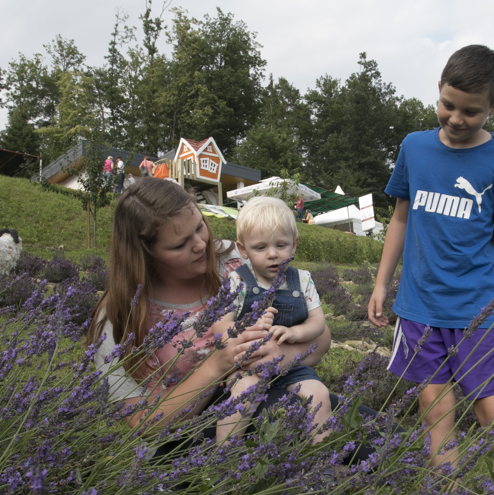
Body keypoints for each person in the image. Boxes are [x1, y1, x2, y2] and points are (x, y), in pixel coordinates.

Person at [367, 44, 494, 495]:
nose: (456, 118)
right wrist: (382, 284)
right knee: (435, 412)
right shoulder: (414, 147)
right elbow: (400, 218)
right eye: (448, 105)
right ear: (438, 90)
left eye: (471, 111)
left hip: (478, 311)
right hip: (419, 308)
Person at [88, 178, 332, 433]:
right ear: (146, 254)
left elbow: (322, 337)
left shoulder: (238, 258)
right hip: (190, 440)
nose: (200, 245)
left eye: (199, 226)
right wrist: (217, 365)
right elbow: (143, 423)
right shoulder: (119, 315)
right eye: (180, 244)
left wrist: (283, 355)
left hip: (277, 396)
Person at [217, 197, 332, 445]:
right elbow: (220, 326)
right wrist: (248, 327)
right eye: (260, 248)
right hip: (248, 366)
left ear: (294, 244)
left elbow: (318, 322)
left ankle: (324, 459)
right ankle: (222, 455)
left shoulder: (302, 280)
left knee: (320, 394)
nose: (272, 254)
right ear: (243, 249)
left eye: (281, 245)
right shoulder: (237, 281)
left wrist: (295, 333)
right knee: (243, 394)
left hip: (290, 364)